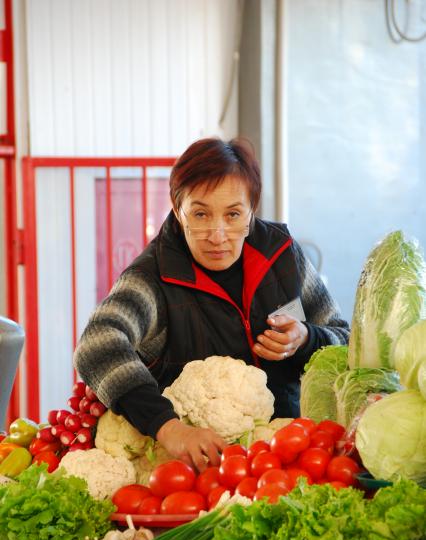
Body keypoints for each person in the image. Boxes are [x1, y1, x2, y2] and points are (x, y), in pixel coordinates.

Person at [74, 137, 349, 471]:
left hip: (286, 459)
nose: (218, 235)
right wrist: (169, 427)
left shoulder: (282, 254)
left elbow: (344, 338)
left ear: (251, 211)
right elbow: (96, 343)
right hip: (196, 472)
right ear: (178, 210)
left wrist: (306, 338)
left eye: (233, 214)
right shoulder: (151, 277)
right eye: (201, 214)